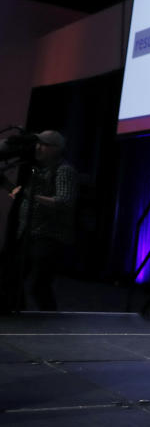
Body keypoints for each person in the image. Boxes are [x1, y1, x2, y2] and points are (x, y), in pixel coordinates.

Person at [7, 131, 78, 311]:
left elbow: (64, 201)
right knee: (13, 278)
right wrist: (6, 186)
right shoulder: (38, 169)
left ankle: (51, 324)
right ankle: (18, 314)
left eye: (43, 144)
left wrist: (30, 196)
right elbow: (23, 197)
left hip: (49, 237)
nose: (38, 147)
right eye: (37, 143)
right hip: (29, 233)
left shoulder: (64, 170)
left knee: (39, 286)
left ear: (56, 149)